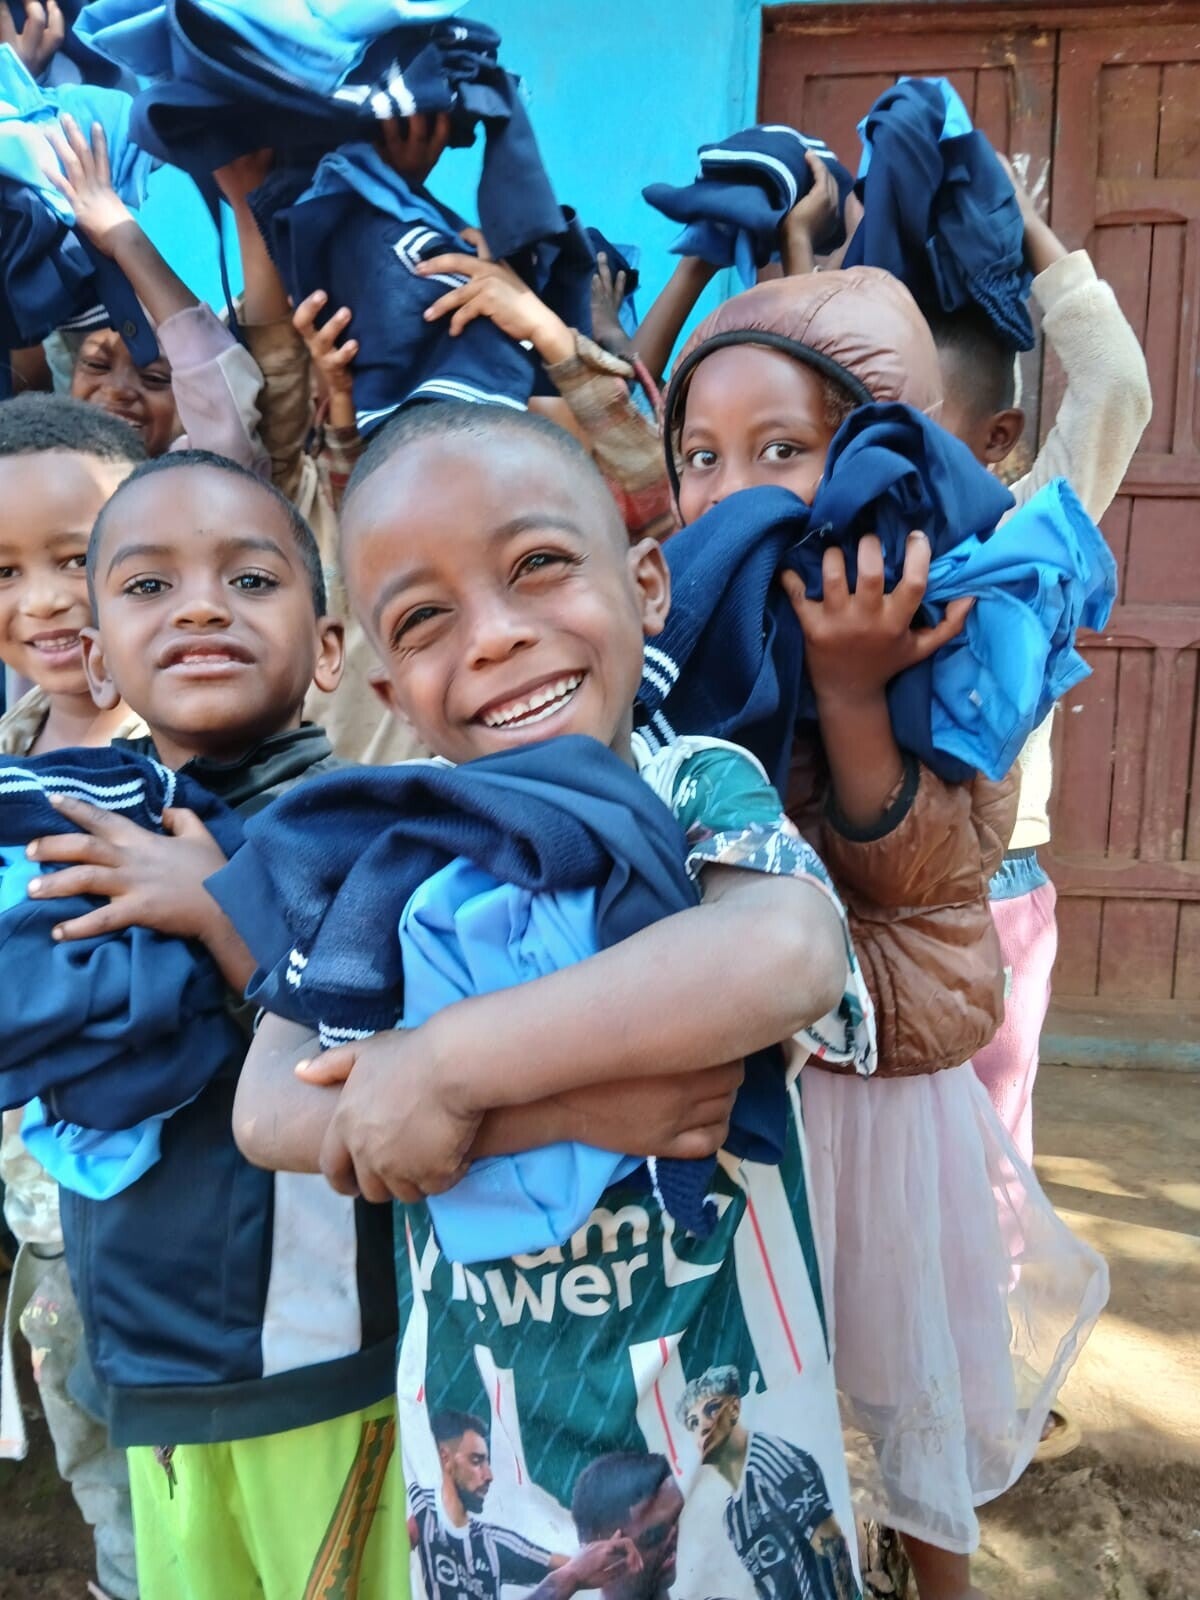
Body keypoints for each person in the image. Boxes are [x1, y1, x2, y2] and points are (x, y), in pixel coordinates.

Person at [227, 400, 871, 1600]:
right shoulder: (384, 841)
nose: (495, 636)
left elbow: (789, 950)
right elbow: (267, 1107)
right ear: (387, 683)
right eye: (426, 618)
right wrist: (561, 1114)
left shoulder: (689, 788)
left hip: (722, 1437)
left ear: (645, 586)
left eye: (538, 565)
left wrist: (446, 1064)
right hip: (491, 1450)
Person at [663, 267, 1109, 1600]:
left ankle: (936, 1578)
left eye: (781, 451)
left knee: (910, 1379)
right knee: (754, 1379)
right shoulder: (695, 642)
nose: (731, 490)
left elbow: (925, 881)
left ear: (868, 461)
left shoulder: (955, 631)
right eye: (701, 456)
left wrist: (855, 695)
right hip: (753, 1095)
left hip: (877, 1091)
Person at [21, 450, 406, 1600]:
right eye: (149, 586)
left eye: (250, 580)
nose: (199, 606)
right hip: (150, 1360)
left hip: (322, 1364)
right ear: (97, 658)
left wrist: (217, 911)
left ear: (328, 648)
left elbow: (381, 1060)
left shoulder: (366, 828)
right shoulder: (90, 830)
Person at [931, 160, 1152, 1175]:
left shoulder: (1027, 528)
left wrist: (1032, 237)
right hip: (862, 885)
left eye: (919, 417)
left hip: (995, 891)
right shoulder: (843, 538)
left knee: (986, 1161)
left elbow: (1116, 387)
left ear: (1000, 439)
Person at [0, 392, 146, 1600]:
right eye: (4, 572)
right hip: (49, 1227)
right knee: (98, 1462)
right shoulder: (6, 760)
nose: (44, 601)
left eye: (77, 559)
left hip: (193, 1225)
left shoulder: (206, 749)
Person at [47, 115, 265, 467]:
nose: (117, 390)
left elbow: (227, 428)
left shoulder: (192, 481)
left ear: (189, 407)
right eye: (95, 364)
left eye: (155, 378)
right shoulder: (27, 465)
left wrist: (123, 237)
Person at [678, 1366, 856, 1600]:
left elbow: (833, 1545)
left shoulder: (772, 1463)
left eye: (711, 1409)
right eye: (693, 1423)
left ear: (734, 1408)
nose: (703, 1426)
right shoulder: (732, 1517)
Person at [408, 1411, 567, 1600]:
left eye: (487, 1463)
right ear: (445, 1458)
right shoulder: (422, 1508)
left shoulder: (490, 1540)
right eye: (476, 1461)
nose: (489, 1476)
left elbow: (575, 1568)